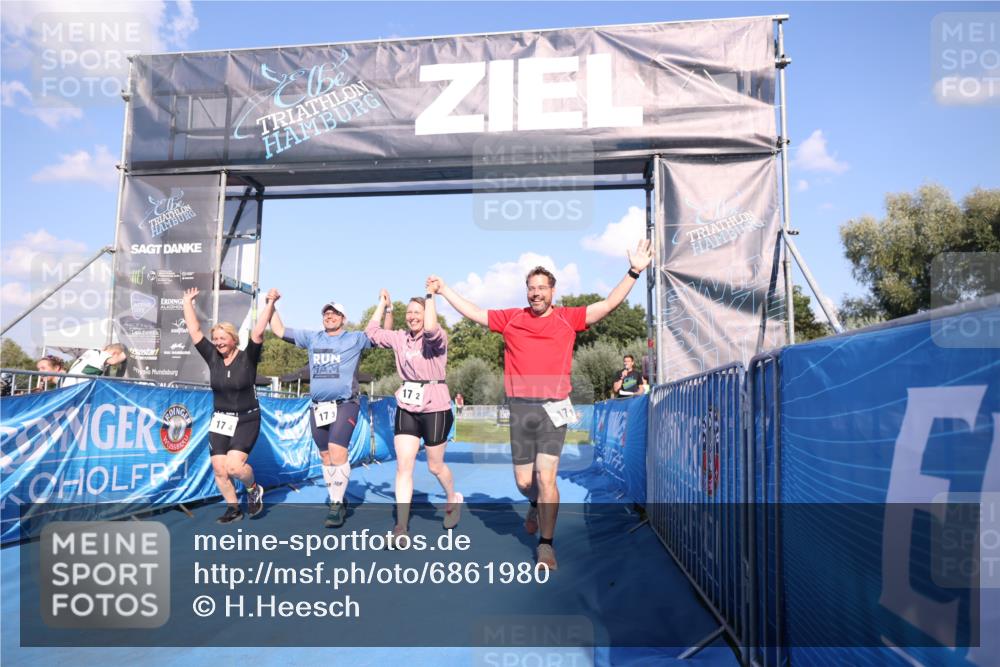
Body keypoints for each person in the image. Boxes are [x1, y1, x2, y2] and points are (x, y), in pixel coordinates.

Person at [430, 239, 653, 570]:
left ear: (553, 291)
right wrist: (445, 289)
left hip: (554, 408)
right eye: (531, 288)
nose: (535, 293)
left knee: (547, 477)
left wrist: (634, 271)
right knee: (524, 482)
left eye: (541, 288)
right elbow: (475, 312)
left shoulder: (568, 318)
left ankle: (546, 545)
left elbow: (607, 304)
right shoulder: (511, 319)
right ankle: (533, 503)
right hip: (521, 409)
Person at [366, 288, 461, 543]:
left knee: (434, 466)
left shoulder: (436, 337)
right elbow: (371, 333)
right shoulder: (400, 338)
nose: (412, 316)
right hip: (408, 405)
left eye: (417, 312)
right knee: (403, 466)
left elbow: (430, 328)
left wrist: (431, 297)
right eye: (409, 312)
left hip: (435, 406)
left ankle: (452, 497)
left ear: (427, 314)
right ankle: (401, 526)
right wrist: (384, 305)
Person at [270, 295, 371, 528]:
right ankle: (338, 497)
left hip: (345, 403)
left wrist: (385, 308)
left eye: (335, 313)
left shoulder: (354, 338)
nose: (330, 316)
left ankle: (335, 505)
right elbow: (279, 330)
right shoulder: (312, 338)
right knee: (325, 456)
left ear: (343, 319)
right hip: (318, 406)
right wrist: (271, 305)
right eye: (326, 313)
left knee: (337, 450)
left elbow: (378, 334)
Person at [183, 286, 276, 524]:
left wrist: (270, 303)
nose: (218, 343)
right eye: (215, 339)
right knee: (219, 468)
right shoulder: (213, 357)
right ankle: (233, 508)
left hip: (246, 419)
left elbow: (258, 331)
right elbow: (194, 330)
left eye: (222, 338)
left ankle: (253, 488)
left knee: (234, 467)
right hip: (221, 420)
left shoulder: (248, 357)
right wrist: (187, 302)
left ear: (234, 340)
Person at [62, 344, 128, 387]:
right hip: (77, 386)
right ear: (115, 353)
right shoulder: (102, 354)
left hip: (68, 385)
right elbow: (113, 361)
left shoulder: (92, 352)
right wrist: (128, 353)